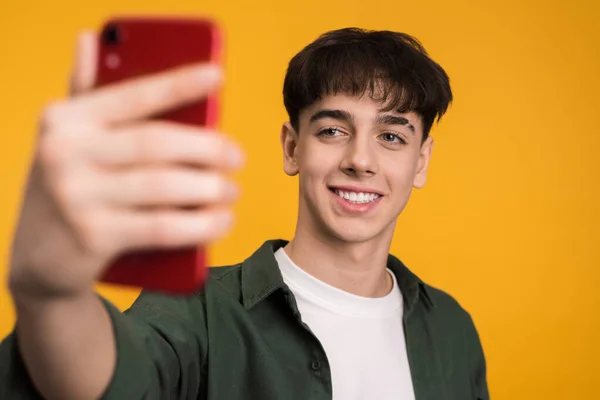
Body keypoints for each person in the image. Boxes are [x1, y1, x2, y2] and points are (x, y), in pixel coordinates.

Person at [0, 27, 489, 400]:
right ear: (292, 147)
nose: (360, 160)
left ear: (419, 161)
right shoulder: (197, 311)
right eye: (332, 131)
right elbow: (110, 383)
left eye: (391, 137)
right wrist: (51, 298)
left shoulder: (451, 328)